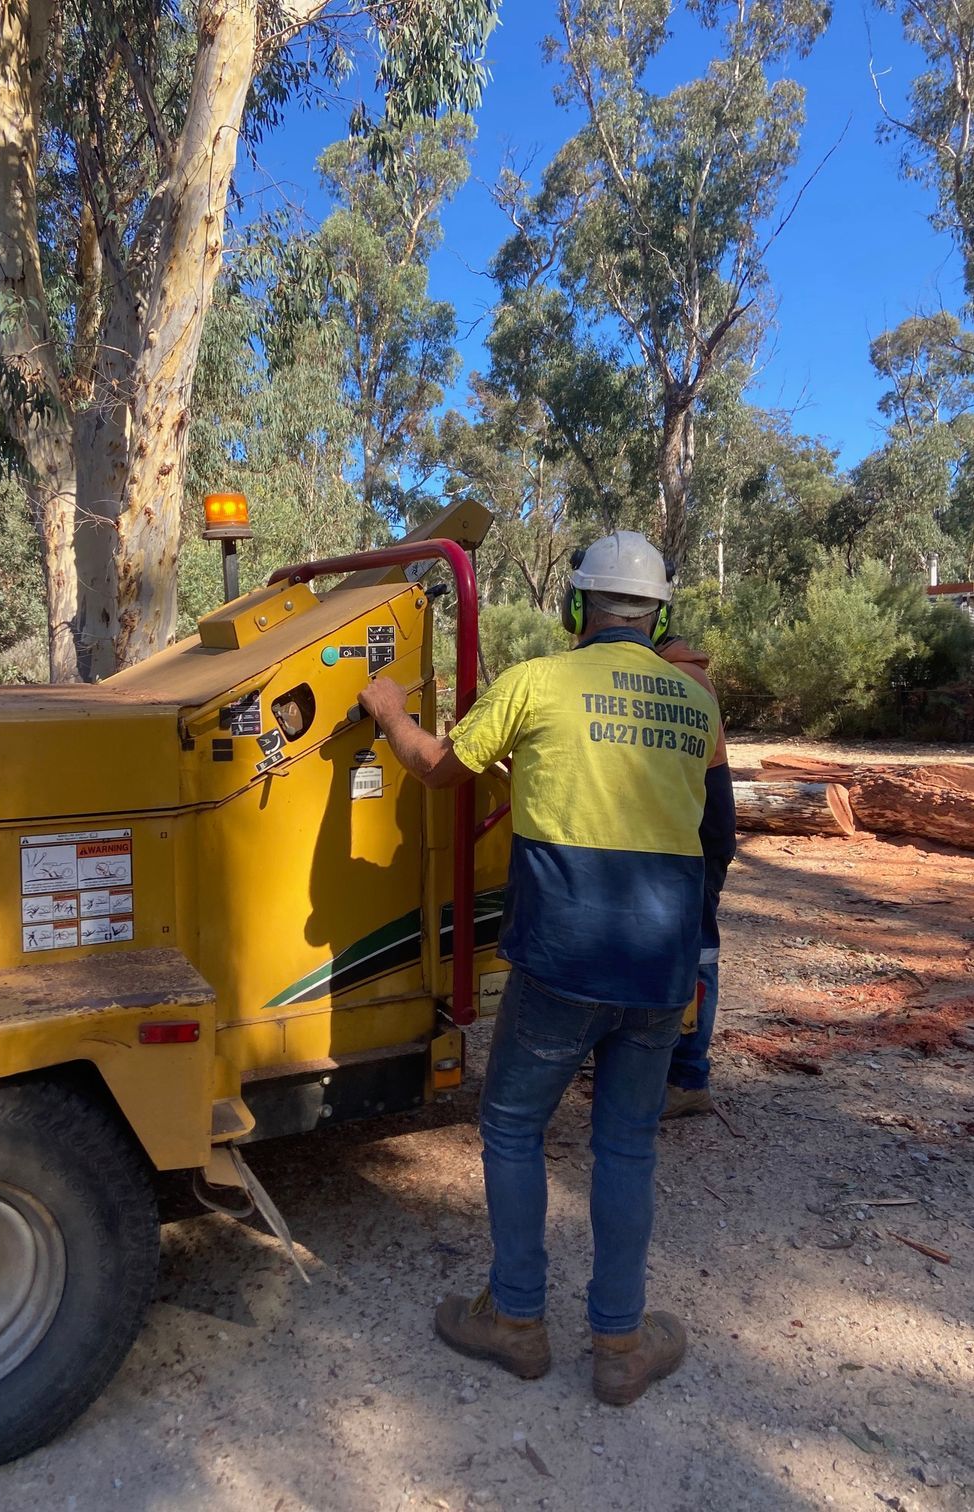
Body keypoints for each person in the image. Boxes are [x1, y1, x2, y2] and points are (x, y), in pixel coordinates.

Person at [357, 531, 723, 1405]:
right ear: (657, 613)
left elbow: (440, 770)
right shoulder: (697, 702)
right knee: (626, 1144)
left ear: (575, 607)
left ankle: (517, 1318)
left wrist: (388, 712)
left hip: (563, 958)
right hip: (660, 964)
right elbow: (707, 829)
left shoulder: (536, 682)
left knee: (514, 1126)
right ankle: (621, 1344)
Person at [654, 619, 737, 1118]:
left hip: (697, 839)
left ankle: (688, 1077)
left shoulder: (683, 679)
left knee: (697, 955)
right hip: (695, 835)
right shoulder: (676, 673)